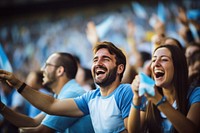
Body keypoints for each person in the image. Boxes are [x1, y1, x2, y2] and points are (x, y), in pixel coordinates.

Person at [0, 41, 133, 133]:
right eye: (95, 60)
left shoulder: (124, 91)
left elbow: (41, 130)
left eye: (105, 59)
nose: (42, 69)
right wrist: (16, 84)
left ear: (120, 68)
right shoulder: (91, 97)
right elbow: (49, 108)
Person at [0, 52, 94, 133]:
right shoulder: (61, 94)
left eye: (47, 65)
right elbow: (34, 122)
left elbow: (42, 131)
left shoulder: (72, 93)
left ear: (60, 71)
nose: (42, 69)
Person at [127, 44, 200, 133]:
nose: (156, 64)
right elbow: (134, 131)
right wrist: (136, 98)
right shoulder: (148, 99)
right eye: (153, 60)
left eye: (164, 59)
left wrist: (158, 100)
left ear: (177, 66)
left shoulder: (196, 94)